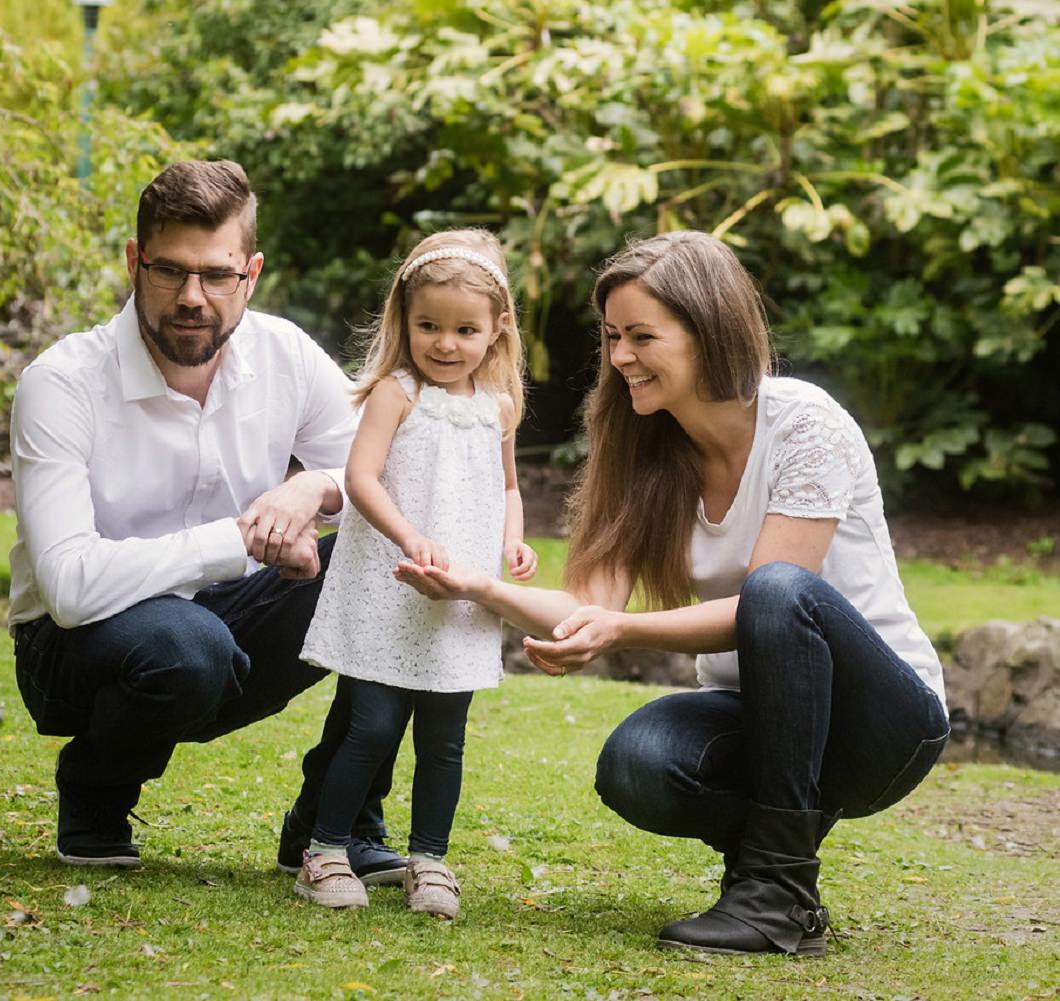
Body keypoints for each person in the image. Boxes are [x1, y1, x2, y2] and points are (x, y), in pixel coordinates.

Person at [395, 230, 949, 953]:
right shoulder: (644, 444)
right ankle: (775, 888)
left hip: (884, 721)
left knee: (779, 589)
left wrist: (624, 631)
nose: (621, 356)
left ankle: (775, 892)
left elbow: (768, 603)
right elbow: (587, 606)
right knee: (638, 762)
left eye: (642, 336)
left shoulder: (806, 425)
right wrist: (478, 587)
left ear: (708, 333)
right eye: (614, 336)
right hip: (764, 715)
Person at [8, 159, 401, 876]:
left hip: (227, 629)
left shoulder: (282, 353)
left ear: (250, 272)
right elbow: (66, 586)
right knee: (187, 642)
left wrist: (314, 487)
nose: (193, 297)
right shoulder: (61, 383)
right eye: (170, 271)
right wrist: (241, 539)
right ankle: (94, 794)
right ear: (135, 261)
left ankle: (333, 823)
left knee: (396, 565)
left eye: (217, 275)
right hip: (74, 652)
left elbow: (390, 472)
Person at [286, 229, 534, 918]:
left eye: (464, 329)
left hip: (458, 597)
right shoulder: (396, 393)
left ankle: (429, 856)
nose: (445, 343)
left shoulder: (499, 407)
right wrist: (410, 535)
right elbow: (361, 477)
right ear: (405, 320)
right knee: (371, 725)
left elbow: (509, 488)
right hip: (388, 584)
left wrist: (514, 542)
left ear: (497, 329)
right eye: (428, 325)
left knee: (444, 738)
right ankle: (325, 848)